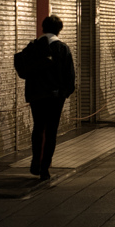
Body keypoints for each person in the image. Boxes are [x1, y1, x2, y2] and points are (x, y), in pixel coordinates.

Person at [25, 15, 76, 180]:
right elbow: (70, 74)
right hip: (55, 97)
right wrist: (65, 92)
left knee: (38, 127)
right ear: (59, 30)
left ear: (42, 27)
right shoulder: (62, 48)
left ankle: (35, 162)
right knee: (51, 130)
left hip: (36, 95)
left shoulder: (33, 46)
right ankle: (45, 168)